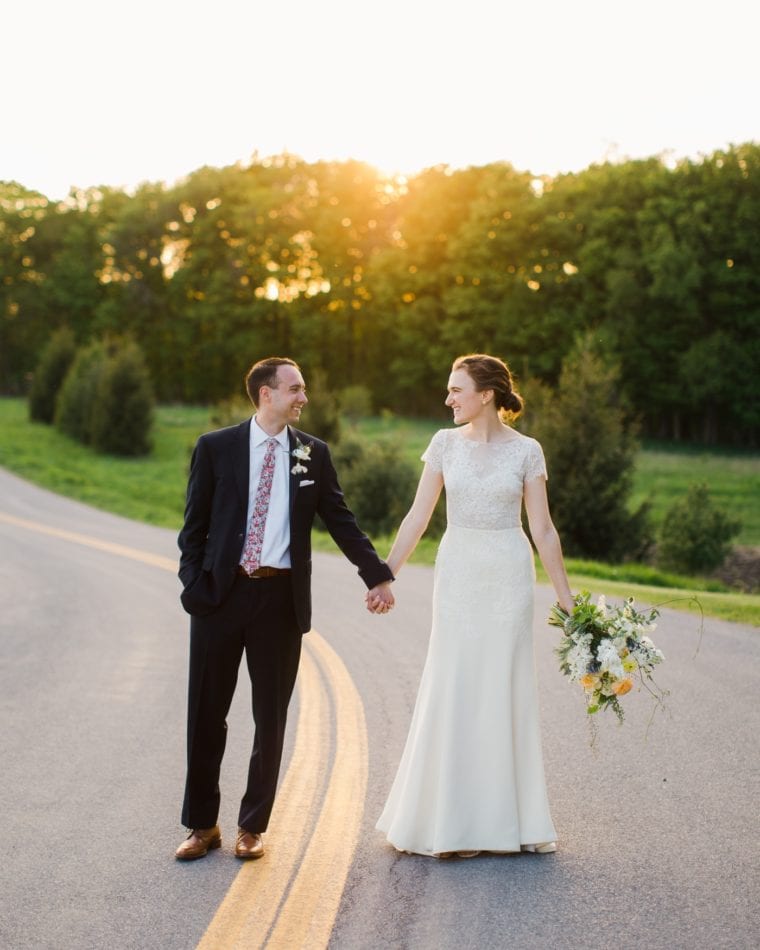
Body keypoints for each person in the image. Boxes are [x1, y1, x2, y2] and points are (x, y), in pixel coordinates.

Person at [176, 357, 394, 861]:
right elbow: (194, 524)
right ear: (266, 394)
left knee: (269, 718)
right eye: (295, 389)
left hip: (279, 602)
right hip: (219, 598)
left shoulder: (312, 454)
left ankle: (252, 827)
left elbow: (340, 519)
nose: (304, 398)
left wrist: (377, 574)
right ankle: (201, 825)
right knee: (206, 714)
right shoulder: (216, 448)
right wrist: (194, 587)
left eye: (304, 389)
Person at [375, 353, 574, 858]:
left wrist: (567, 600)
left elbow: (543, 530)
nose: (448, 399)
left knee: (501, 686)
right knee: (456, 681)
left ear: (486, 394)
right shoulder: (443, 444)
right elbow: (418, 516)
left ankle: (509, 821)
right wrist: (385, 575)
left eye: (456, 389)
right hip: (460, 569)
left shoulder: (528, 451)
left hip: (508, 572)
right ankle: (453, 822)